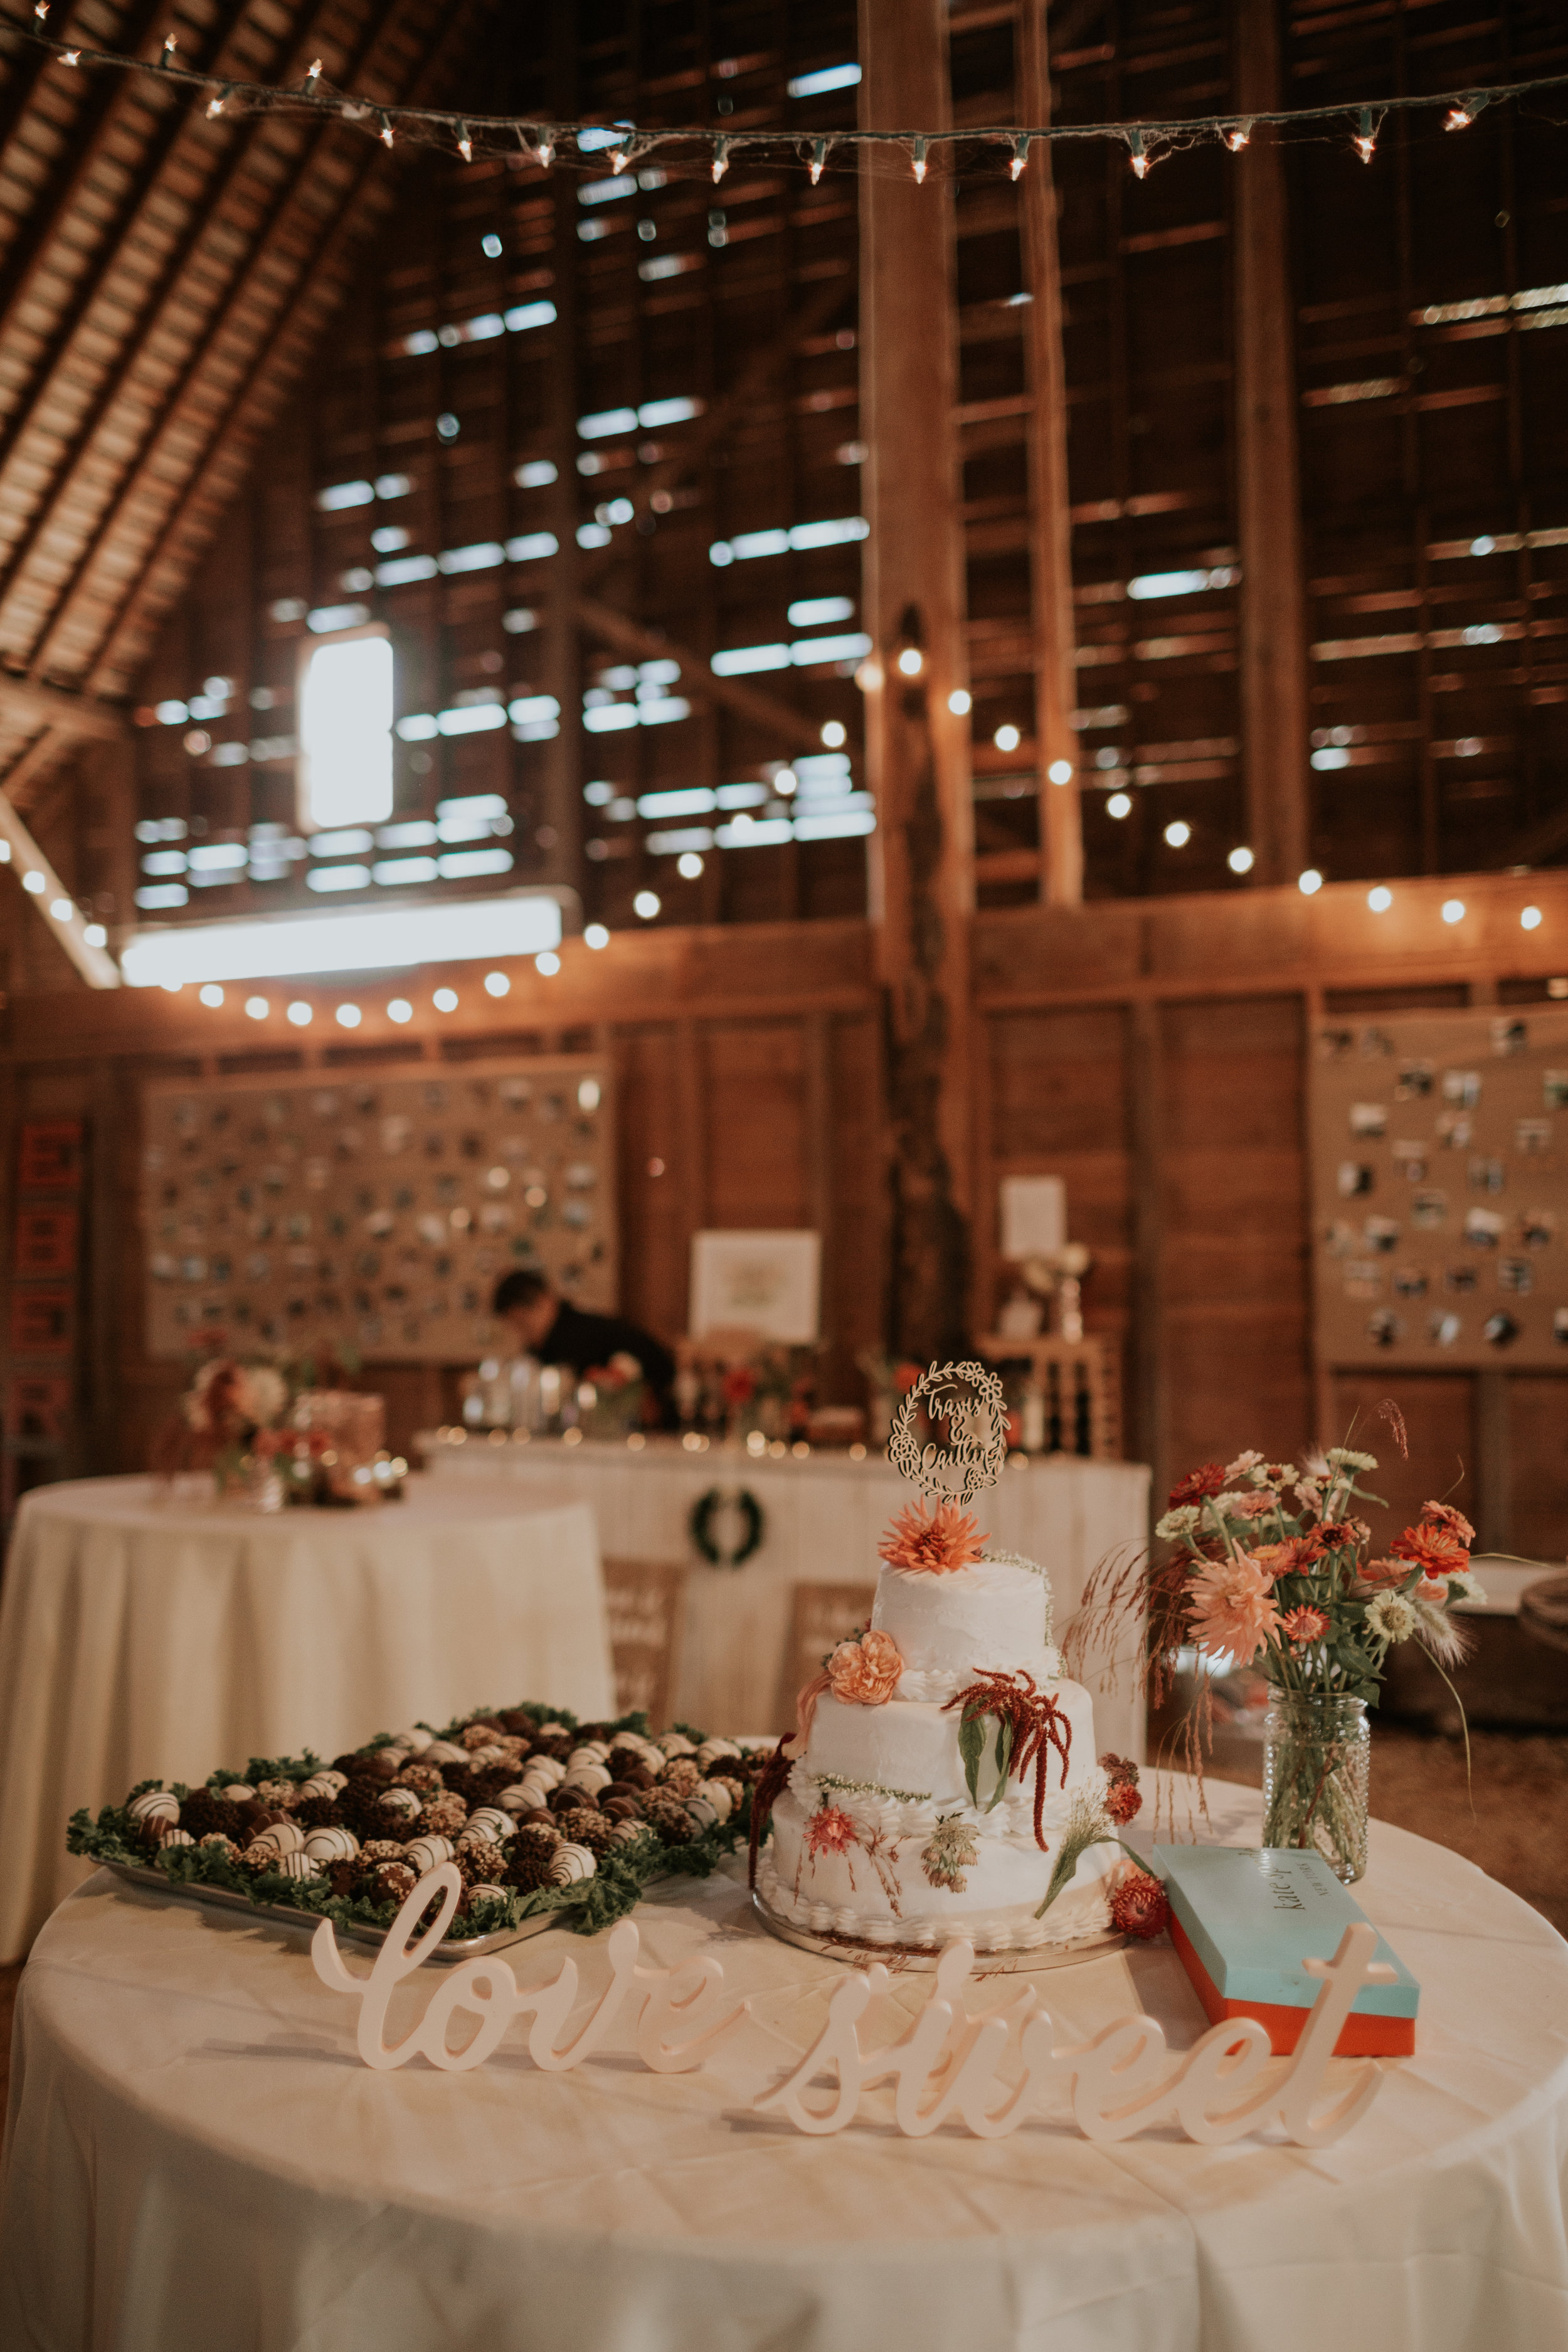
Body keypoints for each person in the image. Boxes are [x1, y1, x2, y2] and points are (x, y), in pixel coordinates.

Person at [490, 1269, 675, 1422]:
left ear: (544, 1302)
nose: (523, 1334)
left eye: (522, 1324)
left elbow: (660, 1366)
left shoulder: (586, 1332)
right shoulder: (543, 1348)